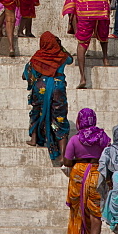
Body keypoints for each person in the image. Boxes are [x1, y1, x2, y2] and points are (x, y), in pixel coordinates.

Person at [63, 108, 111, 234]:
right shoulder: (103, 137)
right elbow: (109, 156)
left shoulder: (75, 139)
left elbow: (67, 161)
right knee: (96, 213)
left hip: (78, 174)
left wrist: (80, 159)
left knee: (77, 211)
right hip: (97, 174)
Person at [22, 32, 73, 164]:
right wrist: (60, 47)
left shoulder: (37, 57)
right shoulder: (62, 56)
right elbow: (71, 59)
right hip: (58, 88)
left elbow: (25, 75)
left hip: (40, 88)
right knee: (60, 118)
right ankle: (62, 155)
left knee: (36, 112)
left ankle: (34, 139)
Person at [62, 0, 110, 88]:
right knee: (103, 35)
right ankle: (105, 59)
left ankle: (83, 77)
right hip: (101, 10)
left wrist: (72, 15)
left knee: (82, 43)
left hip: (86, 11)